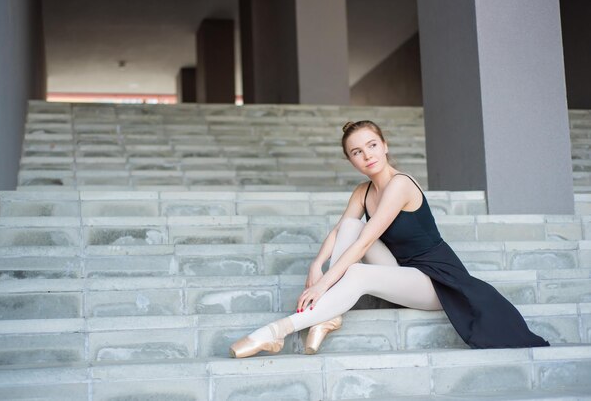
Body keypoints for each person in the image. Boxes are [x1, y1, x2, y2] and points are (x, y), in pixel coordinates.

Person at [229, 120, 549, 358]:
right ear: (351, 160)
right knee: (349, 228)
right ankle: (330, 315)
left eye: (371, 145)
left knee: (356, 266)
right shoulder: (363, 191)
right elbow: (342, 231)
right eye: (356, 152)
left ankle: (277, 331)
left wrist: (322, 284)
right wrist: (316, 265)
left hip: (436, 282)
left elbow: (365, 244)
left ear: (385, 145)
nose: (366, 155)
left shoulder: (400, 185)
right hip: (399, 272)